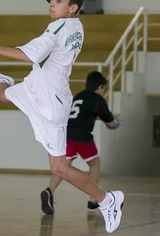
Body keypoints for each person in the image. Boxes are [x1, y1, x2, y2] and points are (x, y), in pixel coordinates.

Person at [0, 0, 124, 234]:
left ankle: (108, 200)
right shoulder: (77, 27)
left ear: (73, 7)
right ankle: (1, 81)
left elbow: (31, 55)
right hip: (35, 86)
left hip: (51, 103)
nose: (52, 4)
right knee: (1, 96)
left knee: (59, 168)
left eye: (59, 0)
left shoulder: (57, 29)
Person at [40, 71, 120, 215]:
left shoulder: (79, 96)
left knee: (63, 166)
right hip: (83, 136)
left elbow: (82, 115)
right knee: (95, 164)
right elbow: (110, 120)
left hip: (67, 134)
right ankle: (94, 199)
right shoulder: (97, 99)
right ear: (100, 87)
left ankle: (49, 191)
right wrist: (116, 122)